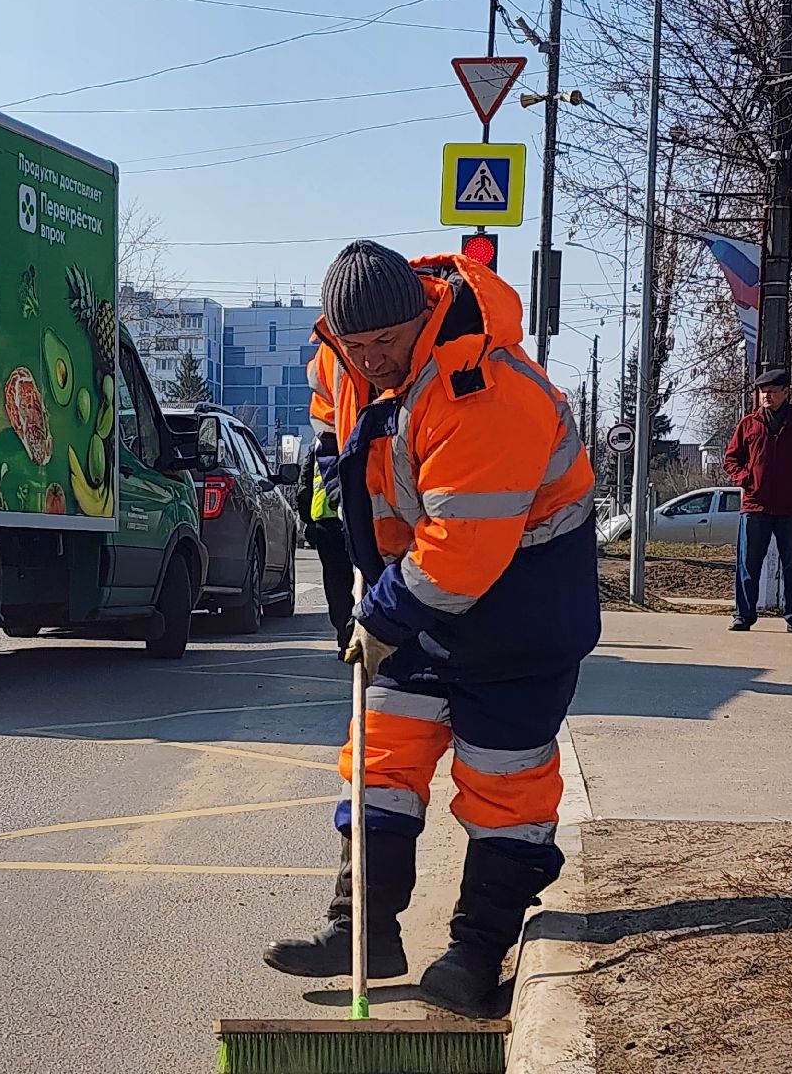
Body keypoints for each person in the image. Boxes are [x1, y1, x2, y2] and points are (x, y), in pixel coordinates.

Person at [264, 240, 602, 1018]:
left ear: (422, 314)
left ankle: (476, 953)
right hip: (416, 591)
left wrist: (381, 617)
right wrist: (335, 469)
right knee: (379, 760)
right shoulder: (340, 360)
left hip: (521, 608)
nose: (372, 360)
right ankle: (362, 932)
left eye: (387, 342)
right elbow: (330, 411)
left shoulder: (485, 390)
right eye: (357, 345)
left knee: (505, 787)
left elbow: (463, 549)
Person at [722, 367, 792, 634]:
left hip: (790, 508)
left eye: (772, 391)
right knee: (748, 563)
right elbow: (731, 459)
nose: (766, 396)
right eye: (763, 392)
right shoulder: (748, 424)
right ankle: (743, 615)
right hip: (755, 506)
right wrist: (746, 479)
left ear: (785, 392)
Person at [296, 430, 352, 654]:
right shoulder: (365, 427)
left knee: (336, 582)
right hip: (361, 518)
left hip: (327, 520)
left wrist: (307, 521)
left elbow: (305, 483)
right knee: (369, 577)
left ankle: (344, 636)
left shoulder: (319, 442)